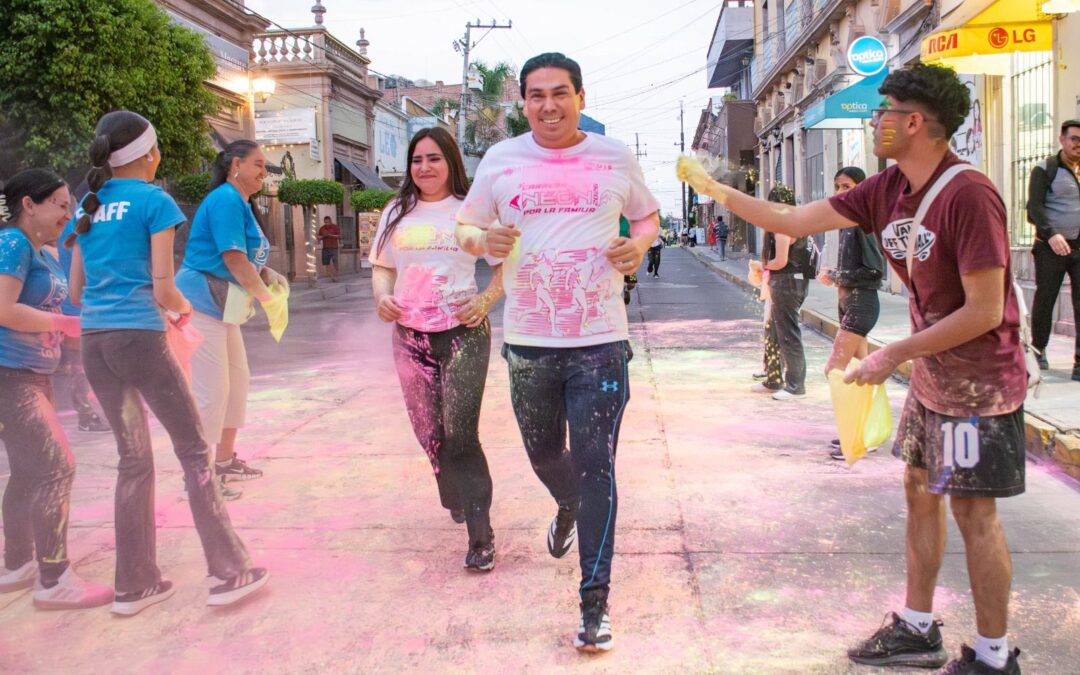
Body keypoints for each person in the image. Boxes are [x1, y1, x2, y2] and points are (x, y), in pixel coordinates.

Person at [680, 63, 1024, 674]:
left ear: (914, 122)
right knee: (920, 491)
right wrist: (714, 189)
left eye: (883, 110)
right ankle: (919, 629)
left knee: (973, 510)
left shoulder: (970, 195)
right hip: (932, 373)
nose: (874, 120)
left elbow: (985, 310)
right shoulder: (885, 189)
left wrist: (892, 353)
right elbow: (791, 221)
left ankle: (995, 657)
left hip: (978, 382)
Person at [456, 52, 660, 653]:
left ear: (581, 95)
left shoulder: (614, 155)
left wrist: (634, 245)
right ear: (523, 102)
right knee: (545, 452)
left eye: (561, 93)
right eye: (537, 95)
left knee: (598, 466)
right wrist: (482, 238)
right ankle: (565, 501)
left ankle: (594, 603)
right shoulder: (501, 160)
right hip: (528, 344)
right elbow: (466, 228)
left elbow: (647, 219)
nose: (549, 105)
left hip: (600, 341)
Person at [67, 110, 268, 615]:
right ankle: (229, 571)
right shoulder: (155, 202)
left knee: (133, 460)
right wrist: (182, 313)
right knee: (195, 451)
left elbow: (75, 290)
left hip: (95, 342)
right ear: (151, 154)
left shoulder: (87, 206)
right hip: (140, 337)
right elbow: (163, 286)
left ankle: (133, 585)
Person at [371, 126, 503, 572]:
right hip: (409, 336)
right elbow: (383, 269)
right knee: (431, 435)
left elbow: (506, 267)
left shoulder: (472, 211)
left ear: (451, 162)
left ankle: (481, 537)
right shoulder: (396, 212)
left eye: (434, 159)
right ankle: (454, 493)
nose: (424, 168)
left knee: (461, 434)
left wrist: (484, 301)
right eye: (416, 160)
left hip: (463, 332)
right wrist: (382, 297)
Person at [0, 169, 114, 610]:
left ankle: (18, 565)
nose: (67, 215)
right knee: (56, 467)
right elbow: (4, 309)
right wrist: (64, 323)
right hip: (11, 374)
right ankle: (53, 578)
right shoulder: (12, 243)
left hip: (34, 372)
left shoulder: (43, 251)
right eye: (60, 206)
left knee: (29, 472)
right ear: (29, 204)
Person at [176, 140, 286, 500]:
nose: (263, 172)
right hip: (202, 303)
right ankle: (200, 476)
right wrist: (267, 299)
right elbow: (234, 259)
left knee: (236, 383)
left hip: (224, 309)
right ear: (234, 164)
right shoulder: (225, 199)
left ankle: (224, 461)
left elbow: (245, 258)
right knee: (213, 390)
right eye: (258, 164)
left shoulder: (240, 203)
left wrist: (267, 273)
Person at [816, 167, 887, 459]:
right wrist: (837, 276)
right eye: (837, 186)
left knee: (834, 369)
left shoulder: (862, 223)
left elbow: (874, 270)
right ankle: (865, 432)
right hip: (850, 304)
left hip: (861, 304)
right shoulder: (848, 222)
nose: (840, 192)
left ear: (860, 187)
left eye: (846, 186)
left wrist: (837, 275)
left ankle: (854, 437)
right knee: (863, 371)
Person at [1026, 119, 1080, 379]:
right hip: (1050, 248)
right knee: (1045, 300)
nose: (1078, 145)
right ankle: (1038, 350)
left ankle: (1079, 363)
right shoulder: (1046, 168)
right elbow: (1033, 209)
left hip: (1079, 247)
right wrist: (1051, 234)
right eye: (1074, 139)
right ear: (1062, 139)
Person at [749, 186, 810, 401]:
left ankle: (795, 385)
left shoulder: (783, 226)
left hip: (787, 283)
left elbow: (781, 261)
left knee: (787, 334)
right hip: (791, 282)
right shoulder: (793, 222)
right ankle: (775, 379)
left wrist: (762, 265)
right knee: (775, 332)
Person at [55, 217, 110, 434]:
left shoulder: (64, 226)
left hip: (70, 303)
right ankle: (86, 415)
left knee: (78, 364)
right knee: (80, 366)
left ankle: (87, 413)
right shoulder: (83, 226)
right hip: (80, 305)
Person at [318, 215, 341, 282]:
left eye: (328, 222)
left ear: (330, 221)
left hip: (334, 247)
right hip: (325, 248)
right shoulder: (322, 228)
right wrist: (321, 237)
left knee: (335, 261)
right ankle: (331, 277)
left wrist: (331, 235)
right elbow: (319, 237)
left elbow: (338, 236)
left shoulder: (335, 227)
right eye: (325, 222)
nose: (326, 223)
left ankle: (337, 275)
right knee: (326, 263)